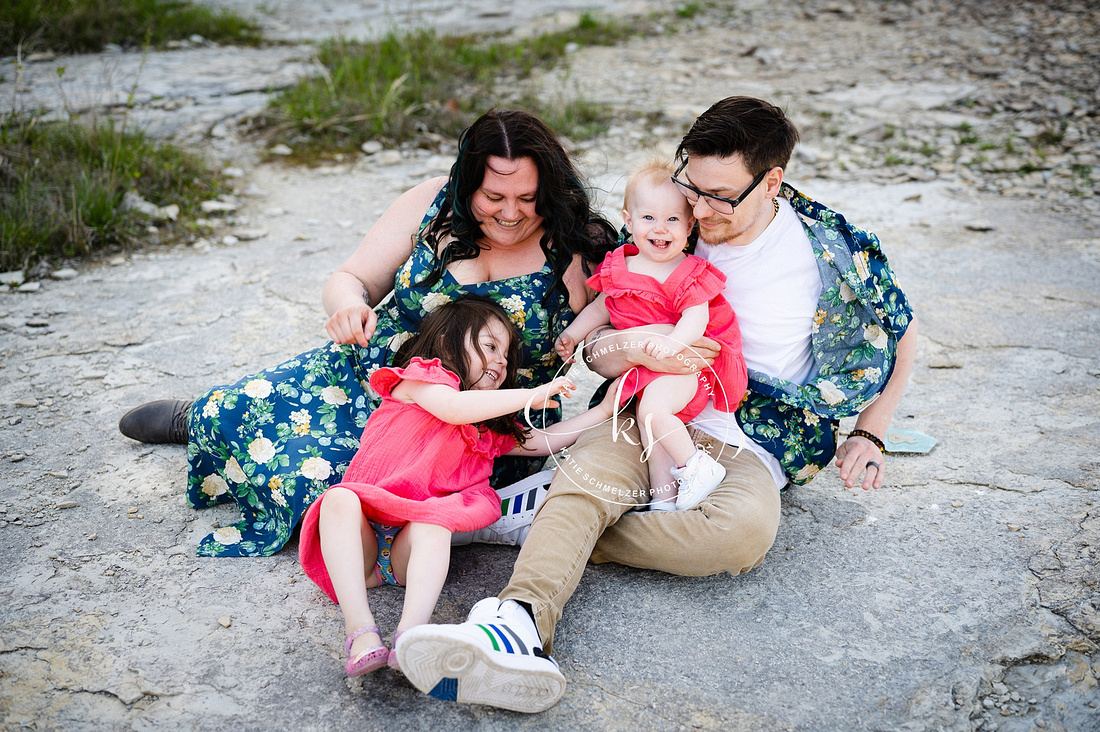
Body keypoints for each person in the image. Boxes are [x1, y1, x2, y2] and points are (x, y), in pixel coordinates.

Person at [394, 96, 918, 714]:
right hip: (641, 408)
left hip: (748, 438)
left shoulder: (831, 248)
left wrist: (871, 430)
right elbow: (597, 348)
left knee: (741, 535)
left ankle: (551, 523)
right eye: (689, 184)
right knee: (592, 479)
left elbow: (902, 328)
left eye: (718, 195)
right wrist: (635, 345)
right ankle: (514, 623)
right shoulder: (661, 227)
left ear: (771, 181)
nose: (696, 208)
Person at [116, 109, 616, 557]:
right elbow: (350, 278)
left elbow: (629, 319)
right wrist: (348, 307)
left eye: (528, 198)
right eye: (494, 197)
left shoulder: (580, 245)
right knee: (242, 409)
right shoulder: (432, 204)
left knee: (338, 496)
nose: (510, 213)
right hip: (370, 380)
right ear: (467, 184)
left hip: (476, 427)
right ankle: (202, 418)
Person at [298, 296, 620, 677]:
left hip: (410, 551)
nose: (501, 362)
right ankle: (360, 631)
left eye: (506, 357)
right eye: (490, 347)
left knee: (435, 523)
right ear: (448, 341)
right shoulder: (421, 380)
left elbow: (536, 441)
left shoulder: (484, 426)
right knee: (338, 499)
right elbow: (453, 408)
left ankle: (410, 636)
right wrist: (534, 394)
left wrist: (601, 411)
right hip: (363, 537)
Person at [555, 160, 747, 512]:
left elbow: (696, 317)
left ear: (690, 225)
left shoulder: (689, 272)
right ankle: (664, 500)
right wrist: (572, 333)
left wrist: (673, 342)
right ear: (628, 220)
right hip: (644, 370)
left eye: (673, 219)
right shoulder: (619, 265)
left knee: (655, 412)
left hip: (680, 369)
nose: (661, 228)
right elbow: (601, 308)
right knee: (650, 431)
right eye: (649, 218)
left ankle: (698, 466)